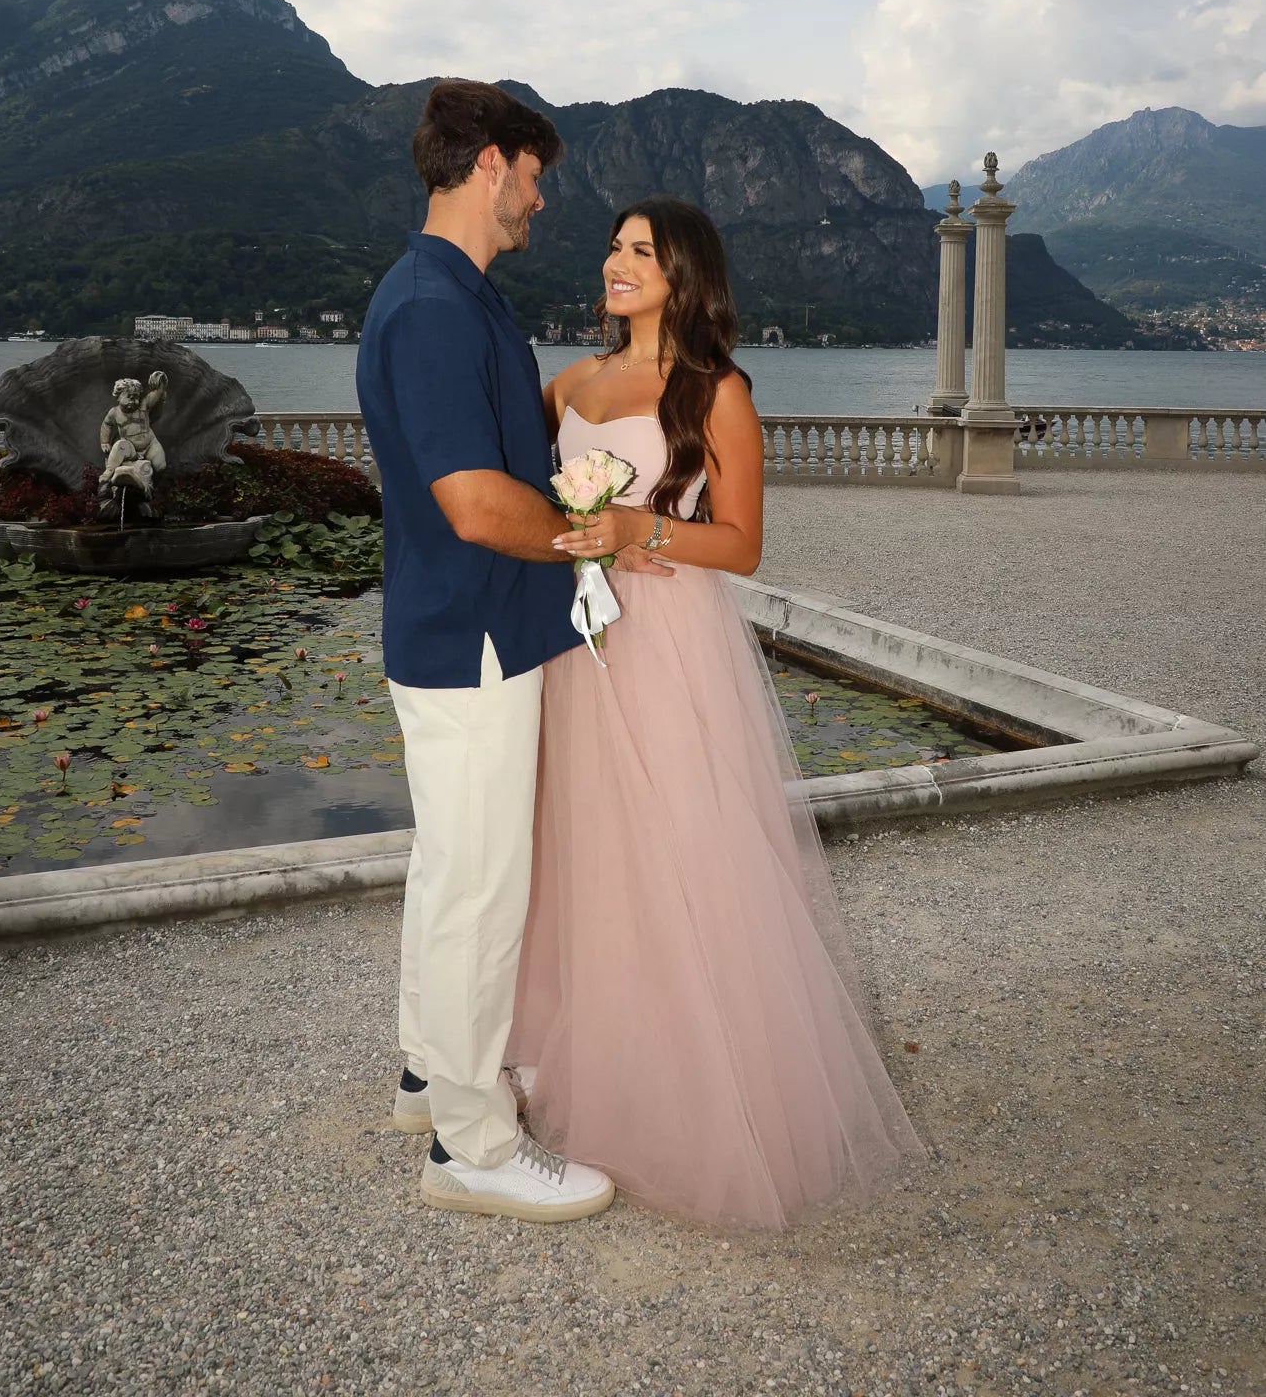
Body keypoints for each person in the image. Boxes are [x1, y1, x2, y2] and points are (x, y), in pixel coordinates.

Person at [508, 196, 926, 1228]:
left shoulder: (717, 391)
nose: (616, 261)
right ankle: (597, 1065)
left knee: (683, 847)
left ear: (685, 273)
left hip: (671, 642)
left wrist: (636, 524)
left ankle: (705, 1094)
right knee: (586, 850)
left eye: (640, 250)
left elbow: (741, 543)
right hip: (579, 643)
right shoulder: (567, 380)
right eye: (613, 245)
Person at [357, 81, 667, 1223]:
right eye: (537, 173)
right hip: (473, 629)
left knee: (453, 868)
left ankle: (428, 1077)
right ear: (493, 162)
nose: (543, 197)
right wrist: (593, 537)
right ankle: (471, 1145)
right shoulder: (435, 305)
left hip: (464, 624)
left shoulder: (456, 292)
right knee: (481, 887)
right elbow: (479, 503)